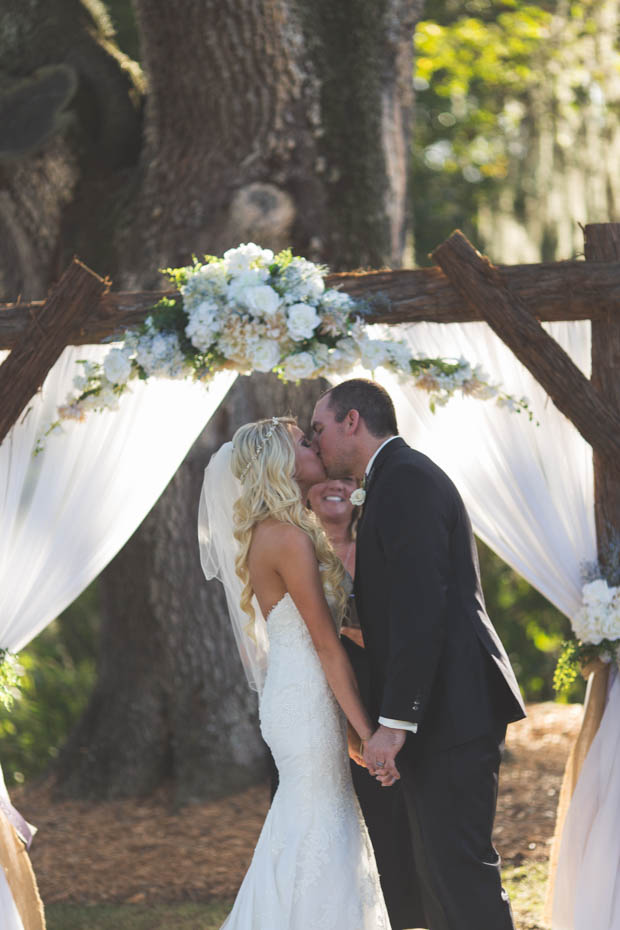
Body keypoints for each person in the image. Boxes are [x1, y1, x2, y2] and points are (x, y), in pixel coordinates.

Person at [311, 379, 527, 930]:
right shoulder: (390, 481)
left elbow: (421, 609)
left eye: (320, 429)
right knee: (441, 880)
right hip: (445, 710)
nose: (317, 444)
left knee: (461, 876)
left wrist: (393, 722)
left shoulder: (405, 480)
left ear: (352, 421)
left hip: (453, 711)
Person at [197, 416, 391, 930]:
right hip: (304, 699)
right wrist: (370, 734)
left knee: (312, 823)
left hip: (303, 697)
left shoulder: (281, 531)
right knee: (316, 825)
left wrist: (348, 728)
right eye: (304, 443)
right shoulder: (286, 537)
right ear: (281, 462)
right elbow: (326, 646)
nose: (315, 447)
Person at [307, 477, 423, 930]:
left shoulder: (378, 544)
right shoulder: (298, 549)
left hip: (379, 689)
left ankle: (398, 913)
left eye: (346, 480)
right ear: (305, 492)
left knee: (386, 807)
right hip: (318, 690)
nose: (335, 487)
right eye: (323, 480)